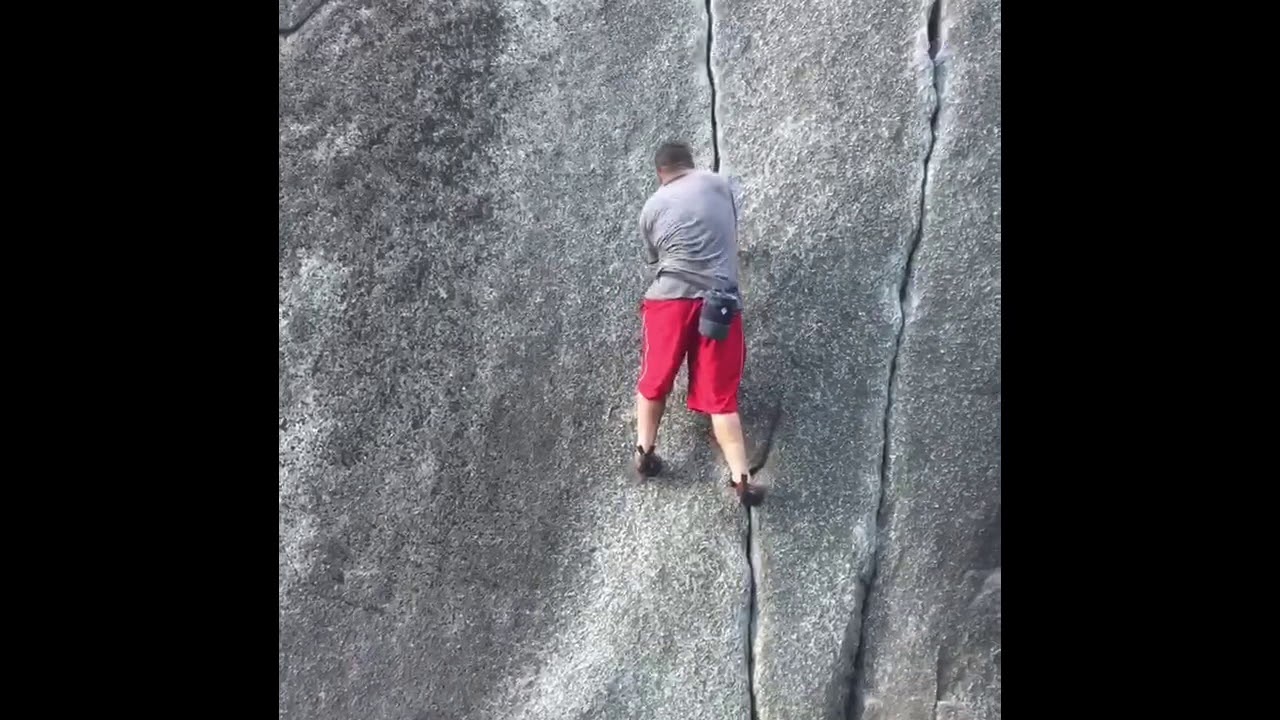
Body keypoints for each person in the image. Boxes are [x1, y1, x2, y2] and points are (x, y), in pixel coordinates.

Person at [632, 142, 764, 506]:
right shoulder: (721, 185)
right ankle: (741, 478)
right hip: (719, 304)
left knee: (654, 380)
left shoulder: (652, 206)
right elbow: (733, 221)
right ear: (691, 164)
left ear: (660, 173)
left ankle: (644, 450)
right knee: (721, 399)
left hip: (669, 302)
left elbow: (655, 256)